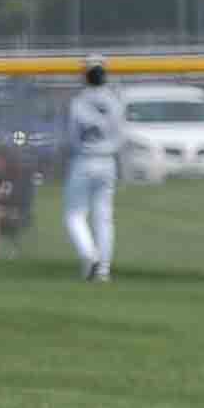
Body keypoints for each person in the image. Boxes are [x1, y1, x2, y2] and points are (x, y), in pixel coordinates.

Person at [65, 55, 125, 281]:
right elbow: (121, 135)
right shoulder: (114, 100)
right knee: (104, 217)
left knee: (74, 215)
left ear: (85, 75)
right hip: (107, 161)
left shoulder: (78, 102)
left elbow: (71, 136)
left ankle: (90, 255)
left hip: (84, 159)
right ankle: (103, 270)